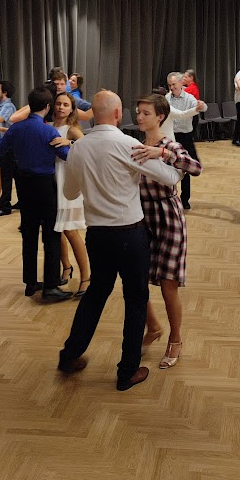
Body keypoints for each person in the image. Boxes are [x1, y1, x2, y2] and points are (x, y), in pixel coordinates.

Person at [57, 90, 182, 391]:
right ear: (117, 114)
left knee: (96, 295)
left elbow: (70, 193)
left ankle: (69, 355)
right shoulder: (128, 144)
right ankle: (127, 371)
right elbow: (171, 178)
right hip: (129, 234)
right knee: (136, 299)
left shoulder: (79, 147)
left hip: (97, 236)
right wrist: (165, 156)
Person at [132, 94, 202, 369]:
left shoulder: (170, 145)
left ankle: (176, 338)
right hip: (140, 216)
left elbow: (196, 168)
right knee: (136, 280)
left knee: (168, 285)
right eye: (138, 112)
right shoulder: (135, 144)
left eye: (145, 113)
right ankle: (153, 327)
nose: (139, 117)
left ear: (160, 117)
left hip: (168, 216)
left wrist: (163, 154)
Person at [0, 87, 73, 303]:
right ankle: (51, 286)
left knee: (29, 233)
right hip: (45, 185)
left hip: (23, 184)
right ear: (47, 107)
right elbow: (67, 156)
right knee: (51, 235)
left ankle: (30, 282)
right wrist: (71, 144)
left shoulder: (16, 128)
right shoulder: (48, 131)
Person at [52, 91, 90, 298]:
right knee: (56, 230)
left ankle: (86, 277)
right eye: (58, 103)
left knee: (70, 231)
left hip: (67, 183)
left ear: (72, 109)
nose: (61, 107)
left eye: (65, 105)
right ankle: (66, 267)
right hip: (52, 182)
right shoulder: (49, 126)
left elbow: (88, 150)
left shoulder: (72, 129)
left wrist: (71, 144)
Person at [166, 72, 200, 210]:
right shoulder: (167, 98)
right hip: (171, 137)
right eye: (169, 85)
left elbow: (195, 110)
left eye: (174, 84)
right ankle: (170, 196)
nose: (171, 87)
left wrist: (200, 106)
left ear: (181, 83)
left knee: (185, 168)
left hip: (185, 137)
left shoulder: (190, 98)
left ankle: (185, 199)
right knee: (169, 167)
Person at [0, 80, 18, 217]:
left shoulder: (8, 106)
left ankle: (5, 206)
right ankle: (20, 202)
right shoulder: (2, 106)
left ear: (5, 92)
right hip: (7, 145)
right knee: (13, 175)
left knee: (7, 177)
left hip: (9, 146)